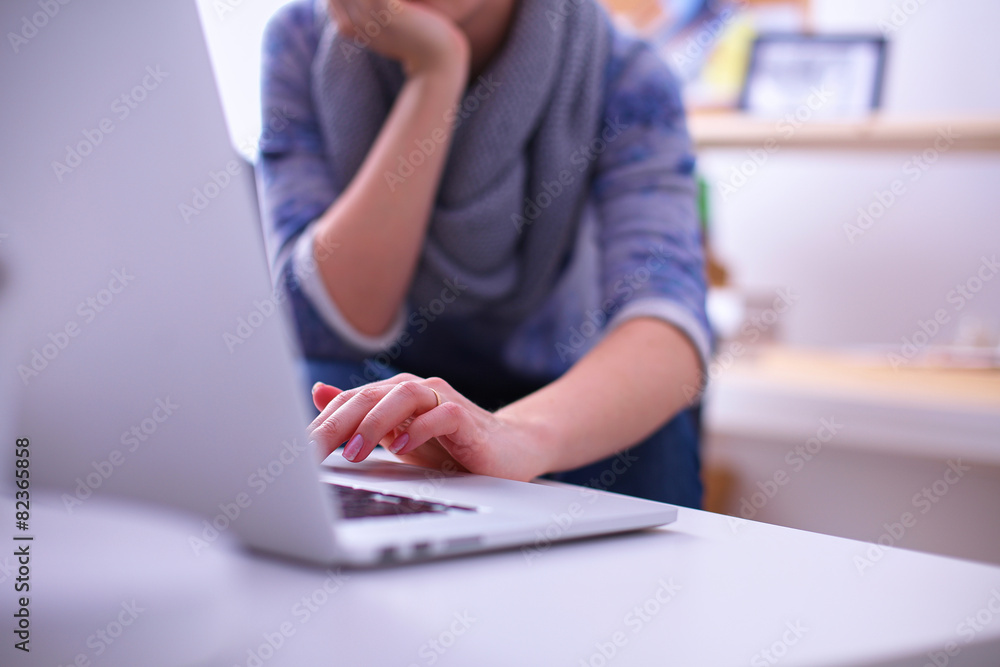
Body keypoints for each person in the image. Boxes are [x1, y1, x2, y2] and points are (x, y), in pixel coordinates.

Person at [257, 0, 711, 507]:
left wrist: (515, 434)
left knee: (650, 430)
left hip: (561, 393)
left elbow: (668, 328)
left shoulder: (623, 70)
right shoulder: (302, 39)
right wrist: (434, 74)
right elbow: (323, 324)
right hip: (385, 381)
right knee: (320, 386)